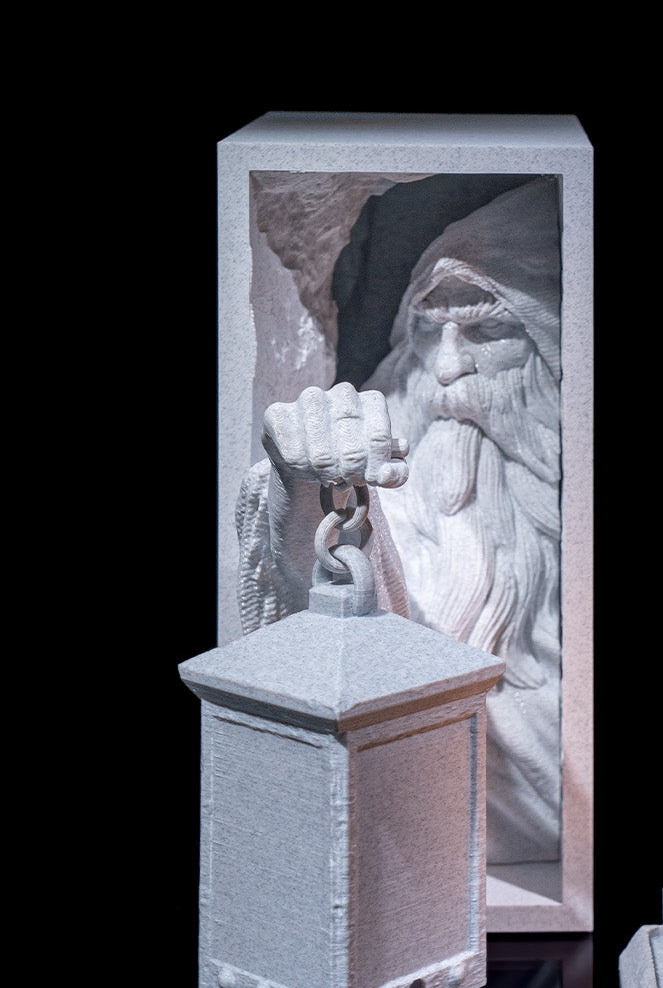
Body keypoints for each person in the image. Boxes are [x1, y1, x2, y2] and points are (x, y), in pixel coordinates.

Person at [236, 178, 562, 868]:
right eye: (426, 329)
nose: (444, 370)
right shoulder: (400, 484)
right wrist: (301, 490)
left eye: (489, 330)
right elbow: (327, 615)